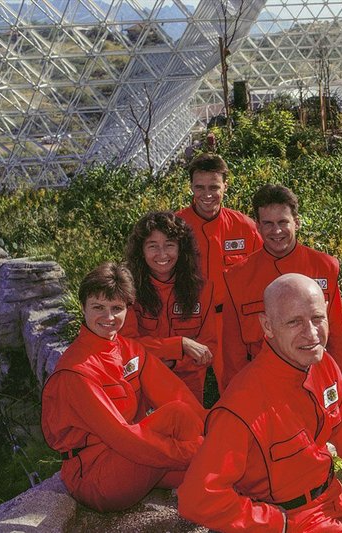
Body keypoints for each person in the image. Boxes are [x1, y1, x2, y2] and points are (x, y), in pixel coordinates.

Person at [178, 274, 342, 532]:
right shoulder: (241, 406)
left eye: (318, 318)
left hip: (336, 503)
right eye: (294, 322)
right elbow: (196, 497)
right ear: (267, 326)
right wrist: (275, 522)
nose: (311, 334)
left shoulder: (323, 365)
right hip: (293, 521)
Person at [41, 263, 206, 512]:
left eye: (116, 308)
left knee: (184, 420)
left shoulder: (130, 349)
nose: (108, 318)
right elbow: (125, 439)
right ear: (83, 306)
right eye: (98, 307)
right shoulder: (75, 371)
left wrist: (216, 434)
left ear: (128, 309)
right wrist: (193, 451)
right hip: (96, 476)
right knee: (204, 462)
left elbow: (178, 396)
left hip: (132, 461)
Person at [219, 184, 342, 391]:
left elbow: (338, 335)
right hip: (263, 385)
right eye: (268, 224)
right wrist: (238, 392)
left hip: (315, 379)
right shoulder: (237, 277)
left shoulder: (324, 267)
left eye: (283, 222)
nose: (277, 231)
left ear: (296, 223)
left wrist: (339, 383)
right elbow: (233, 349)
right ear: (258, 227)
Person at [122, 211, 218, 403]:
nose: (162, 254)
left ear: (181, 249)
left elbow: (208, 349)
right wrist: (180, 345)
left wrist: (173, 362)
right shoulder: (127, 289)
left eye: (169, 245)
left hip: (188, 390)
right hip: (142, 385)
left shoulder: (203, 289)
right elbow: (126, 345)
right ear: (141, 250)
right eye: (153, 246)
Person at [175, 153, 262, 292]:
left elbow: (265, 269)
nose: (207, 194)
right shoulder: (174, 226)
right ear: (191, 186)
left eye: (214, 187)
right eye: (200, 187)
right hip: (189, 312)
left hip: (233, 312)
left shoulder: (245, 227)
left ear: (225, 186)